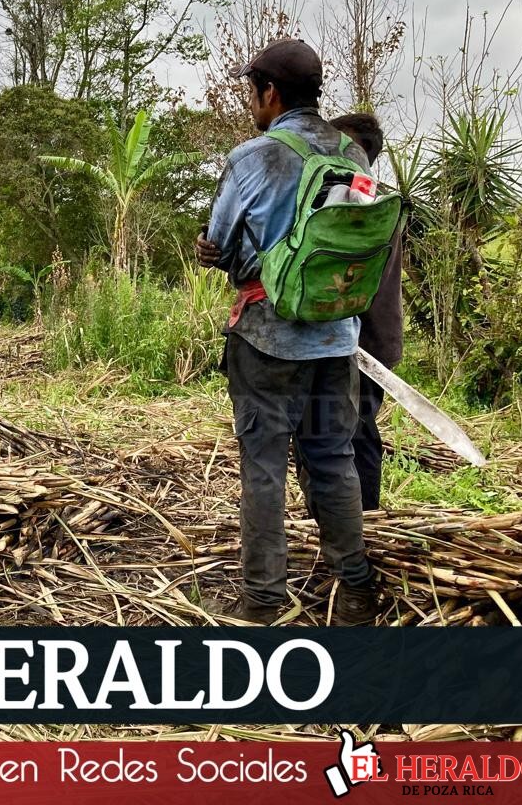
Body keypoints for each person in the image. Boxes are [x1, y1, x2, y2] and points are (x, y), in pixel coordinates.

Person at [195, 38, 380, 626]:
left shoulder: (255, 156)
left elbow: (222, 243)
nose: (254, 103)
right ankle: (355, 592)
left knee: (265, 465)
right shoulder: (354, 152)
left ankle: (262, 602)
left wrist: (215, 252)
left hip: (268, 339)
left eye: (254, 93)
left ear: (269, 93)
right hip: (337, 338)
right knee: (333, 459)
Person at [329, 113, 402, 513]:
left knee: (356, 434)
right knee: (331, 431)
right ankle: (338, 522)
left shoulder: (362, 200)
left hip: (364, 343)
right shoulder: (358, 195)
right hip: (364, 339)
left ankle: (365, 523)